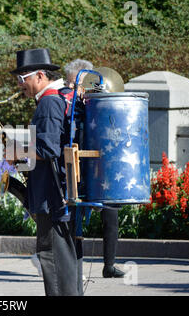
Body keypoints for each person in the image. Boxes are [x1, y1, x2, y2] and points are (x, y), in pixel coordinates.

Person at [8, 48, 81, 296]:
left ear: (40, 75)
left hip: (52, 197)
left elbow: (48, 149)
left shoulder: (49, 102)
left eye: (22, 79)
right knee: (61, 261)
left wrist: (17, 152)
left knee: (53, 260)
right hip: (53, 194)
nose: (20, 86)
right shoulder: (55, 99)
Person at [63, 59, 125, 279]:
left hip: (99, 165)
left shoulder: (97, 102)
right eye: (69, 84)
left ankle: (109, 264)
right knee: (74, 218)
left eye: (75, 84)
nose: (71, 88)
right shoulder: (65, 103)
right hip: (77, 166)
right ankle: (73, 267)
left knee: (111, 213)